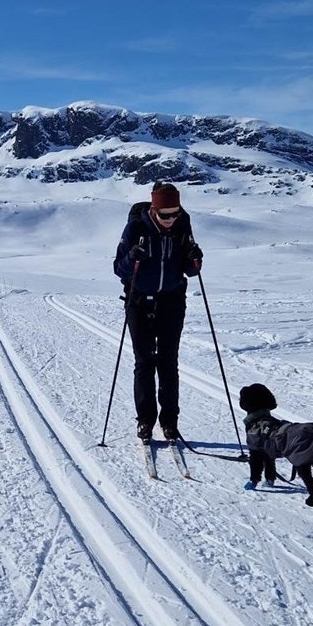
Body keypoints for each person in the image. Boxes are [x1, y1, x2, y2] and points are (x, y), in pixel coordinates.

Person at [113, 181, 202, 442]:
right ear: (154, 209)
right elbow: (119, 269)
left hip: (172, 302)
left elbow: (191, 270)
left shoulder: (182, 226)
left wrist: (196, 258)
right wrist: (133, 256)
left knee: (168, 363)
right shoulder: (136, 228)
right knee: (144, 363)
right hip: (139, 302)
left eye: (175, 213)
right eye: (165, 214)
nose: (171, 219)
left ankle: (170, 423)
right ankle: (145, 421)